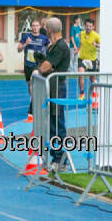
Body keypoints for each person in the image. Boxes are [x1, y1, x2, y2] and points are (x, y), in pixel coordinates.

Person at [35, 17, 71, 169]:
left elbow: (45, 67)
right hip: (52, 86)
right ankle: (56, 157)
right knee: (52, 123)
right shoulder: (53, 46)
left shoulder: (61, 46)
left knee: (57, 123)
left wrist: (42, 66)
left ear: (48, 30)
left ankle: (60, 159)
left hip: (57, 87)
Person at [17, 18, 49, 114]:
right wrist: (25, 44)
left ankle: (33, 102)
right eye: (33, 26)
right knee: (29, 85)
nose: (35, 28)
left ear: (39, 27)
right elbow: (18, 49)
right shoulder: (26, 36)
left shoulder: (44, 38)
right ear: (31, 27)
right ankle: (32, 99)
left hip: (37, 64)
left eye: (37, 26)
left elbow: (50, 47)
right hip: (27, 64)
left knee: (32, 80)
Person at [76, 18, 100, 100]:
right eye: (87, 26)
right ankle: (82, 93)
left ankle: (94, 95)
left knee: (92, 79)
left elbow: (102, 45)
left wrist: (96, 45)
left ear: (93, 27)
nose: (88, 27)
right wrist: (77, 50)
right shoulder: (81, 34)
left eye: (90, 26)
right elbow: (81, 43)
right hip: (82, 58)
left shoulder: (96, 36)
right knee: (80, 73)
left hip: (91, 60)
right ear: (85, 26)